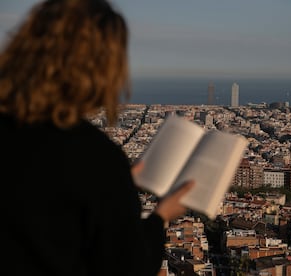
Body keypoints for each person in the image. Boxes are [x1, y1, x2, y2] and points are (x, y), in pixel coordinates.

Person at [0, 0, 193, 275]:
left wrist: (121, 183)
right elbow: (128, 267)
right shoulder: (94, 159)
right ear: (103, 69)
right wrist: (160, 217)